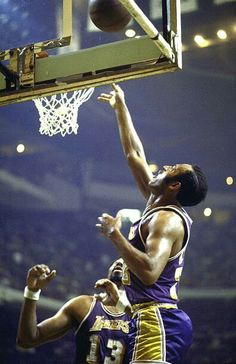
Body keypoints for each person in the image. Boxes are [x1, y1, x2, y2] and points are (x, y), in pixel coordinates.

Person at [96, 83, 208, 364]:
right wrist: (121, 107)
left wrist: (115, 236)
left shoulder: (167, 219)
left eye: (171, 169)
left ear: (174, 185)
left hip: (158, 320)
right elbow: (134, 154)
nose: (165, 166)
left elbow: (148, 272)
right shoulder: (155, 202)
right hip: (148, 317)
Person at [16, 258, 130, 364]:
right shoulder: (83, 305)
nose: (119, 262)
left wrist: (119, 301)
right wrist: (32, 292)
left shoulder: (142, 313)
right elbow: (27, 340)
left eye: (126, 263)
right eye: (115, 262)